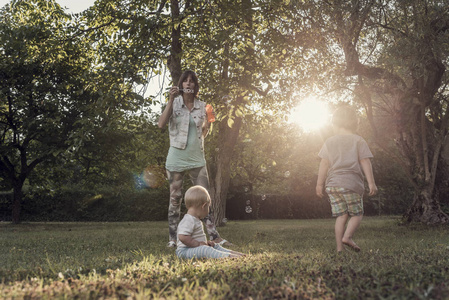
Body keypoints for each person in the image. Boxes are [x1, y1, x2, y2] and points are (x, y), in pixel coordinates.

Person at [158, 70, 228, 248]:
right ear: (181, 85)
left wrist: (209, 119)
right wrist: (171, 100)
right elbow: (160, 124)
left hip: (197, 158)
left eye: (192, 81)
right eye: (185, 81)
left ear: (195, 86)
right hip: (176, 157)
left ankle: (214, 236)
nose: (188, 84)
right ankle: (173, 239)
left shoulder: (204, 106)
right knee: (175, 199)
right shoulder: (174, 103)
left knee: (205, 198)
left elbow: (205, 131)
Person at [316, 106, 378, 252]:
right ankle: (347, 237)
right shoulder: (358, 140)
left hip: (332, 185)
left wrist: (319, 184)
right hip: (351, 184)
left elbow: (324, 163)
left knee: (341, 216)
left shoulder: (329, 141)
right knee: (357, 214)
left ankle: (339, 248)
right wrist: (371, 183)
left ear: (335, 123)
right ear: (354, 123)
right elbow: (365, 161)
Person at [176, 186, 245, 259]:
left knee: (215, 245)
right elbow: (182, 237)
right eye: (208, 206)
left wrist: (205, 243)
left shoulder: (195, 219)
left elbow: (196, 237)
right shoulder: (188, 219)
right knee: (206, 250)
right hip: (184, 251)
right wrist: (198, 244)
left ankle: (236, 254)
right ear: (204, 206)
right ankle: (229, 257)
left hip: (192, 249)